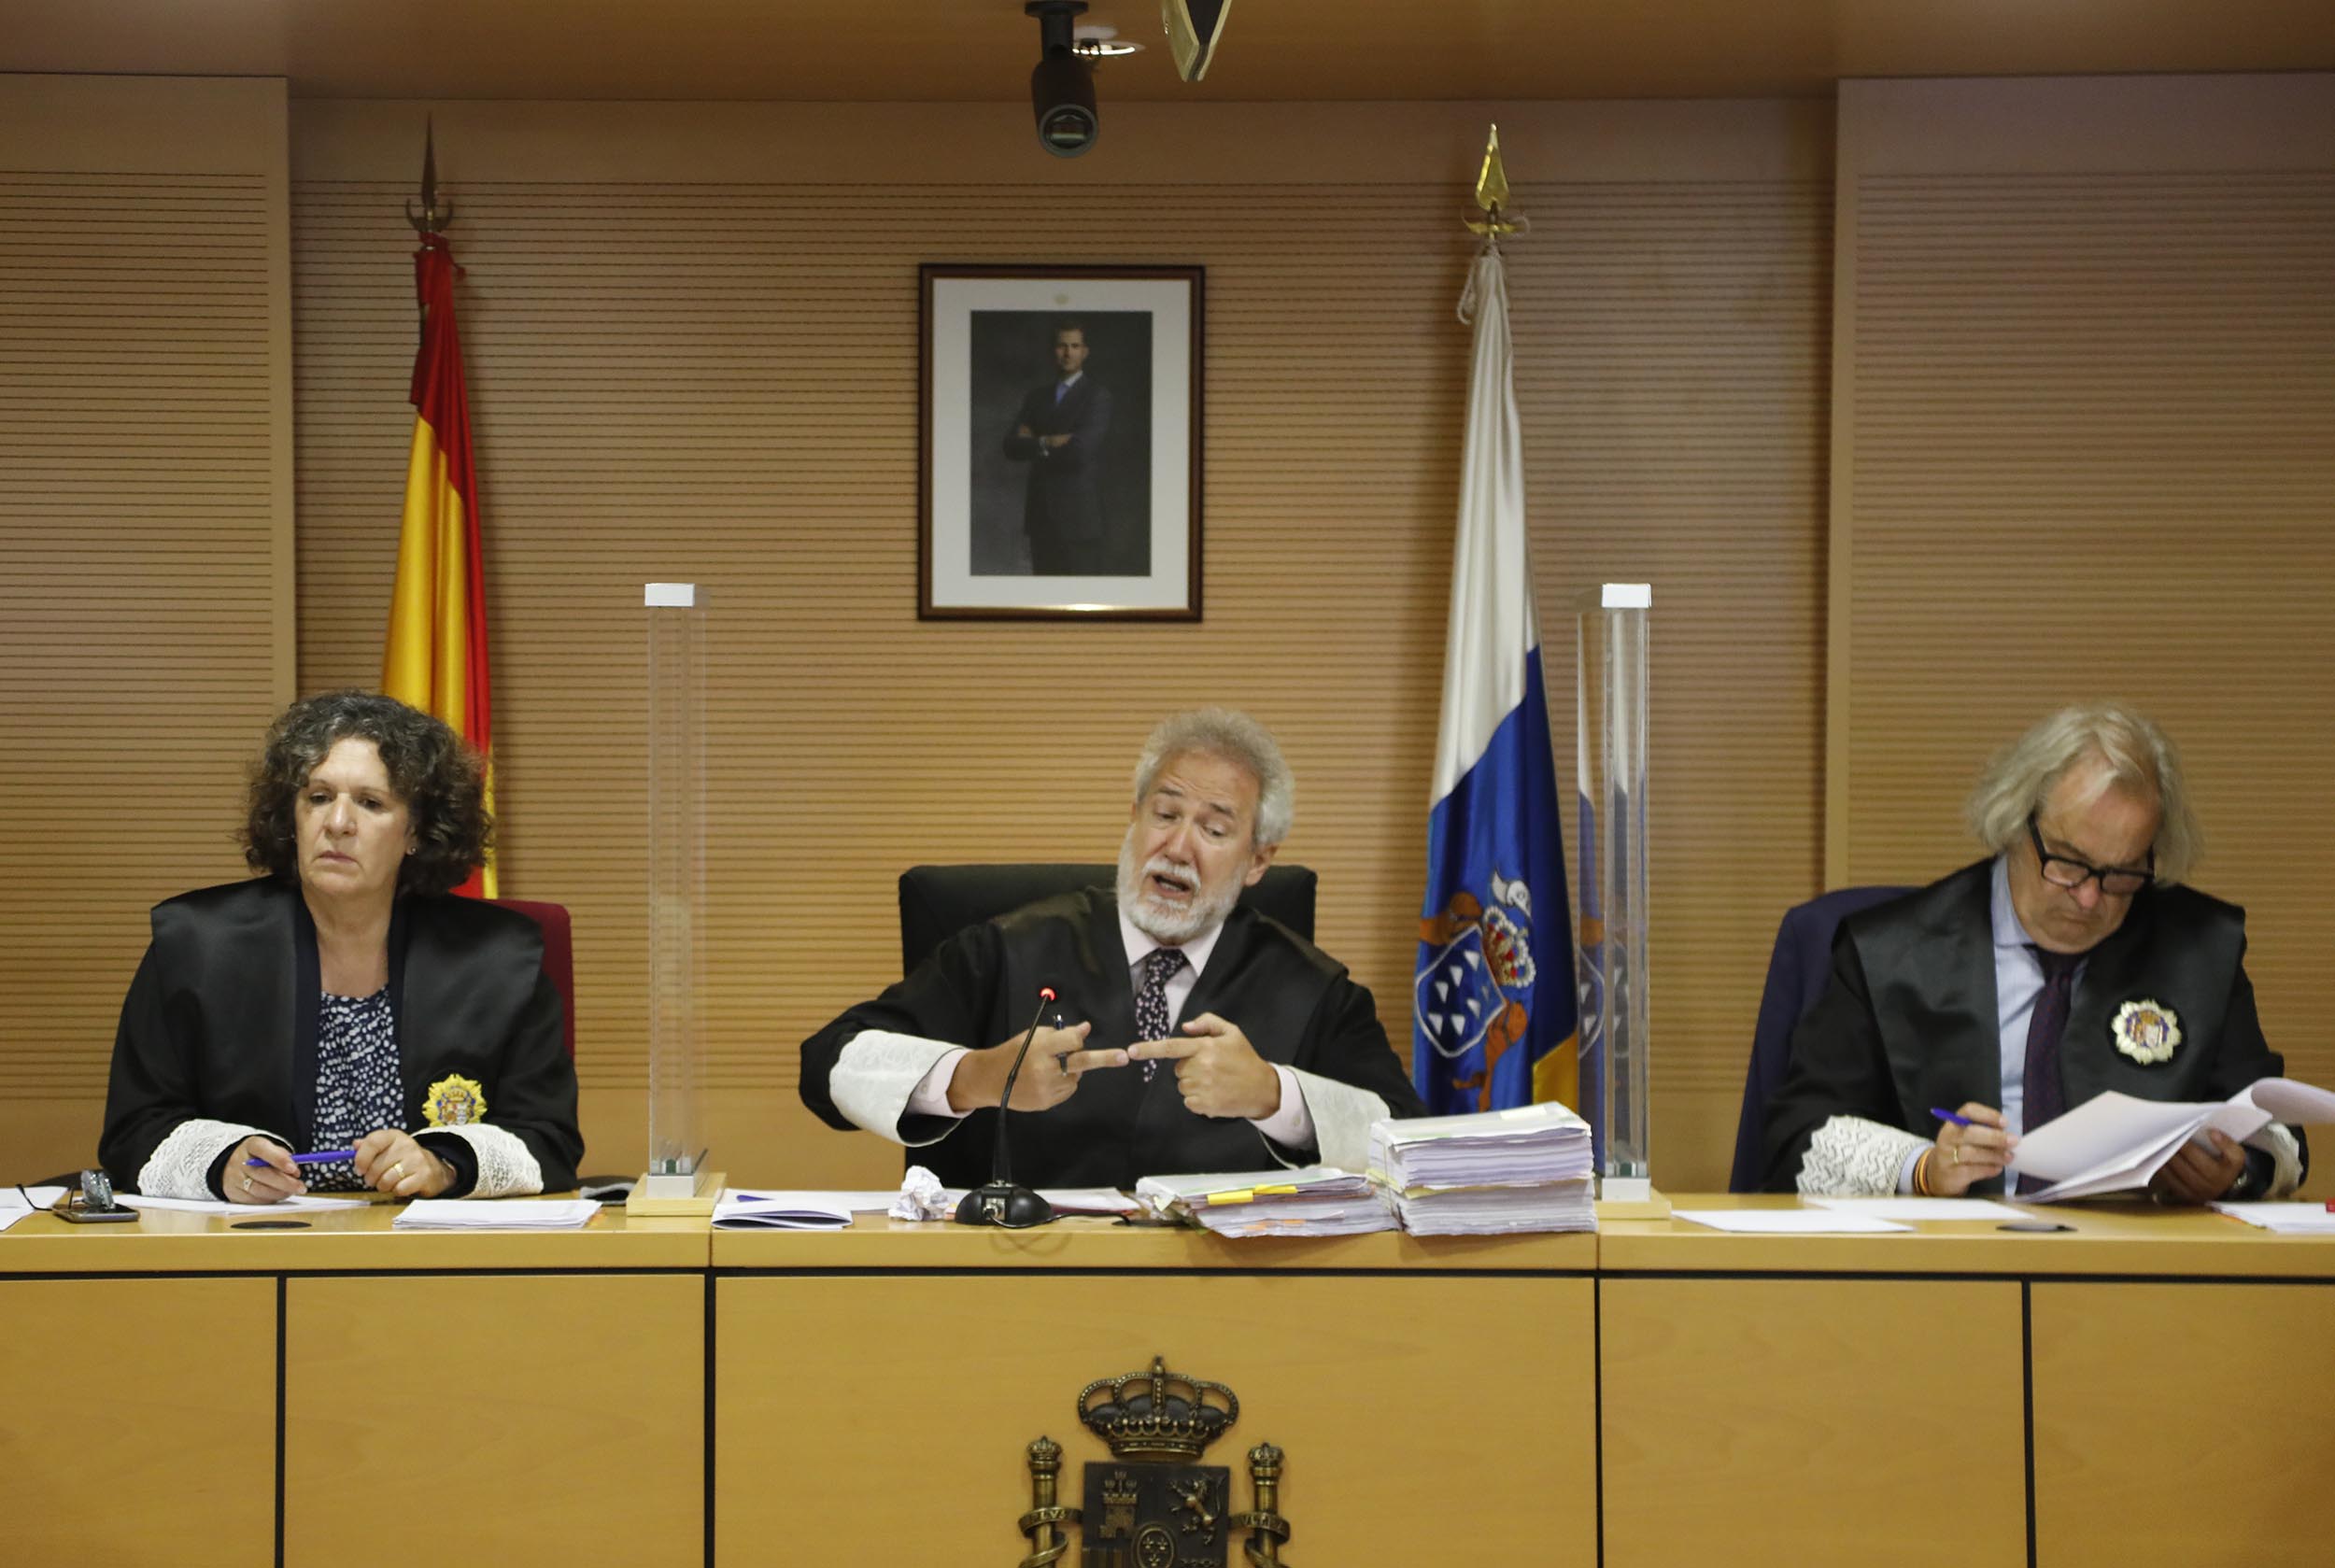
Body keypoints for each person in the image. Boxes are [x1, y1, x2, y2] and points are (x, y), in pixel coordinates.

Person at [800, 709, 1425, 1188]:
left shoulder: (1311, 989)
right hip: (1008, 1295)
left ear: (1259, 859)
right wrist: (978, 1076)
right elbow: (829, 1061)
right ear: (1133, 816)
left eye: (1213, 829)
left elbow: (1410, 1144)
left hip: (1234, 1304)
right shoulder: (1005, 950)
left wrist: (1274, 1094)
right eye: (1164, 813)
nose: (1178, 847)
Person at [1763, 702, 2303, 1201]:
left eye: (2121, 872)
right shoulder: (1890, 952)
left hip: (2140, 1266)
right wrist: (1924, 1167)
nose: (2090, 896)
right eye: (2068, 861)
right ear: (2014, 822)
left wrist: (2237, 1171)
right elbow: (1797, 1136)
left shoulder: (2200, 948)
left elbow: (2276, 1132)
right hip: (1947, 1269)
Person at [99, 690, 583, 1203]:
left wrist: (443, 1165)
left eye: (371, 803)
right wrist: (221, 1163)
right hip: (252, 1248)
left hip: (428, 1248)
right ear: (293, 816)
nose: (337, 823)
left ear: (415, 830)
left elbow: (548, 1140)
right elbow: (134, 1130)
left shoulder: (500, 957)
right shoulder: (195, 945)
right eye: (318, 797)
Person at [1001, 320, 1113, 575]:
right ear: (1053, 351)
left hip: (1079, 519)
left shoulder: (1097, 396)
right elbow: (1010, 446)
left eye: (1075, 346)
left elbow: (1080, 452)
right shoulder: (1036, 397)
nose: (1068, 352)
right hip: (1041, 516)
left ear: (1085, 351)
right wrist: (1047, 441)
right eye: (1062, 345)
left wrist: (1033, 441)